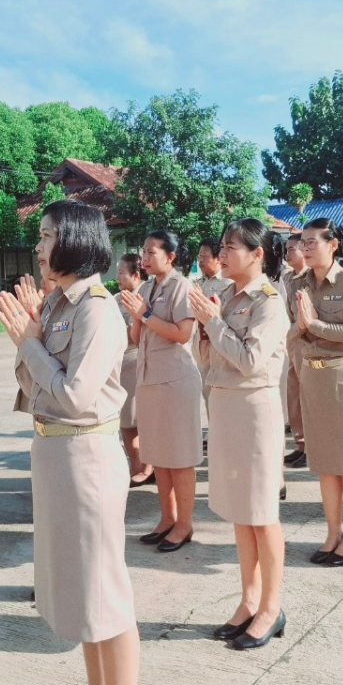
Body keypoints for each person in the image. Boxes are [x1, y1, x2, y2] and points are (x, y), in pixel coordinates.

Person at [0, 200, 143, 685]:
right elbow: (29, 384)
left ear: (77, 241)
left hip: (86, 457)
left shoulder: (97, 310)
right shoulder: (59, 302)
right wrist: (29, 343)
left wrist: (30, 344)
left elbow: (76, 396)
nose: (37, 247)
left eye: (47, 235)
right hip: (55, 453)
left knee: (105, 591)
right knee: (82, 593)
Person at [188, 219, 290, 650]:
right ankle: (248, 600)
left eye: (232, 247)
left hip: (253, 409)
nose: (223, 254)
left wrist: (213, 323)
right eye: (224, 246)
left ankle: (271, 607)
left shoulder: (269, 302)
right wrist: (203, 326)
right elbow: (207, 358)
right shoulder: (227, 296)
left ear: (257, 254)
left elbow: (249, 360)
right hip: (225, 405)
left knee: (262, 513)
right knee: (240, 512)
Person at [291, 218, 343, 566]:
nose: (306, 248)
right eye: (303, 243)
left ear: (333, 245)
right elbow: (292, 331)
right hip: (313, 378)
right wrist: (302, 330)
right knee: (326, 465)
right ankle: (331, 532)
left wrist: (316, 326)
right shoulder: (297, 284)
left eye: (313, 242)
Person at [119, 231, 202, 553]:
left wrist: (146, 314)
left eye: (152, 252)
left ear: (171, 256)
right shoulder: (148, 287)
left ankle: (184, 524)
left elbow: (182, 334)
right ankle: (167, 519)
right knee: (160, 457)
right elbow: (137, 338)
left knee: (179, 458)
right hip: (150, 380)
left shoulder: (181, 286)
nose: (145, 256)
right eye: (144, 251)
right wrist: (137, 316)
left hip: (175, 381)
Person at [116, 253, 154, 487]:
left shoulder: (146, 296)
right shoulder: (116, 299)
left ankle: (148, 466)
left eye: (121, 273)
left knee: (141, 420)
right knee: (126, 420)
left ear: (135, 275)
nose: (118, 277)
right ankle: (136, 464)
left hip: (139, 359)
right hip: (121, 364)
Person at [193, 237, 234, 418]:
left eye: (205, 256)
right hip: (201, 345)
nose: (200, 261)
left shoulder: (229, 283)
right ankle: (213, 431)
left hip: (220, 342)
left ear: (218, 258)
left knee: (223, 391)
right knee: (207, 390)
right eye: (199, 256)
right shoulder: (199, 284)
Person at [281, 233, 307, 467]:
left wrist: (286, 331)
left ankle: (311, 446)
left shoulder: (310, 278)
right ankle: (300, 443)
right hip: (292, 342)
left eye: (292, 249)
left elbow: (305, 318)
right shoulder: (288, 277)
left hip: (305, 342)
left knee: (308, 396)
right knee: (294, 395)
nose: (287, 253)